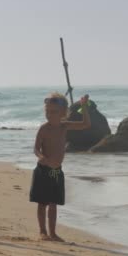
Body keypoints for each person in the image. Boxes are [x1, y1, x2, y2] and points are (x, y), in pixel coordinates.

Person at [30, 92, 91, 241]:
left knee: (53, 203)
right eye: (47, 111)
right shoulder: (44, 129)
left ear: (63, 113)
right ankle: (42, 231)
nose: (49, 115)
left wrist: (84, 107)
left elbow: (86, 124)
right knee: (42, 203)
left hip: (56, 171)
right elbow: (36, 148)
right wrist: (41, 157)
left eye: (53, 112)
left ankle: (53, 233)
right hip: (43, 170)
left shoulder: (64, 126)